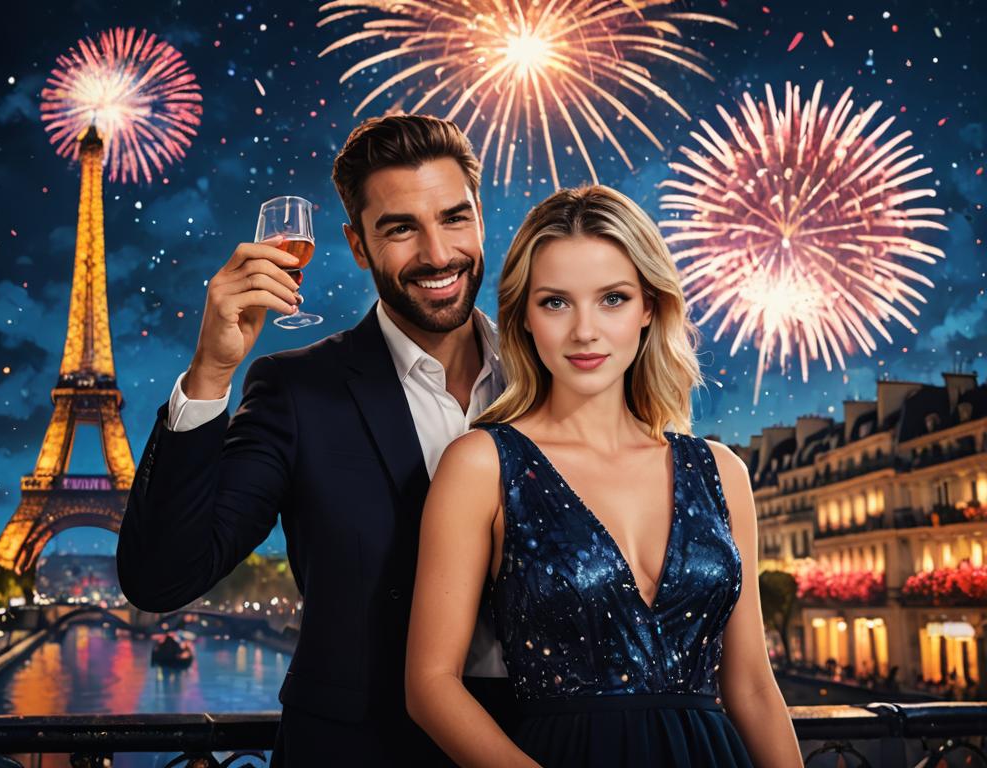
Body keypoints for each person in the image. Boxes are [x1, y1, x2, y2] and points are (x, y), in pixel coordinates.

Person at [116, 114, 515, 765]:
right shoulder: (297, 391)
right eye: (401, 228)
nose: (438, 254)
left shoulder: (553, 378)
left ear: (481, 217)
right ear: (357, 246)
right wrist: (212, 372)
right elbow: (161, 580)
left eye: (454, 218)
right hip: (362, 750)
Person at [405, 186, 803, 767]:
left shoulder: (721, 472)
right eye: (556, 303)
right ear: (523, 318)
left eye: (612, 299)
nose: (585, 331)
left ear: (649, 307)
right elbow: (431, 687)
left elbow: (752, 688)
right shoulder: (481, 465)